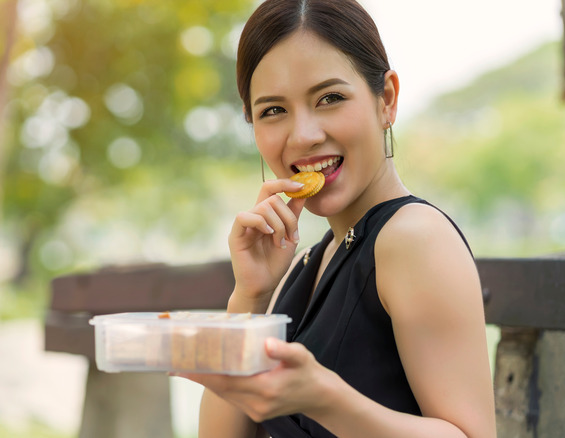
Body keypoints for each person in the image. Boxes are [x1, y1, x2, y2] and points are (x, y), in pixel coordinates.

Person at [178, 0, 497, 437]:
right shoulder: (314, 258)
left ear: (386, 99)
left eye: (330, 98)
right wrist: (249, 297)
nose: (304, 135)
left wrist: (324, 397)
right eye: (273, 110)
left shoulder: (413, 238)